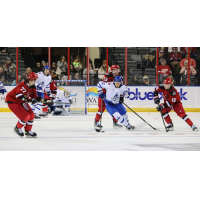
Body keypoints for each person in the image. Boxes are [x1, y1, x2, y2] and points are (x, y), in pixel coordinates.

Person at [5, 72, 39, 137]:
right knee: (25, 117)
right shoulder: (23, 85)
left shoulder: (32, 86)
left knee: (32, 115)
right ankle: (17, 128)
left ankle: (28, 131)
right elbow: (18, 96)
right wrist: (30, 99)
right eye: (34, 79)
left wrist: (46, 100)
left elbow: (35, 97)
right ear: (31, 79)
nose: (35, 81)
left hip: (21, 101)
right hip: (13, 101)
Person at [94, 65, 123, 130]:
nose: (118, 71)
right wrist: (102, 93)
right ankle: (96, 122)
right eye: (116, 69)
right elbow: (102, 85)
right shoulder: (107, 76)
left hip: (112, 96)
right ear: (112, 70)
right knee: (102, 108)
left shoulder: (120, 77)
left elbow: (120, 88)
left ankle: (115, 122)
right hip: (103, 95)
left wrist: (121, 97)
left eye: (118, 69)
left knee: (115, 108)